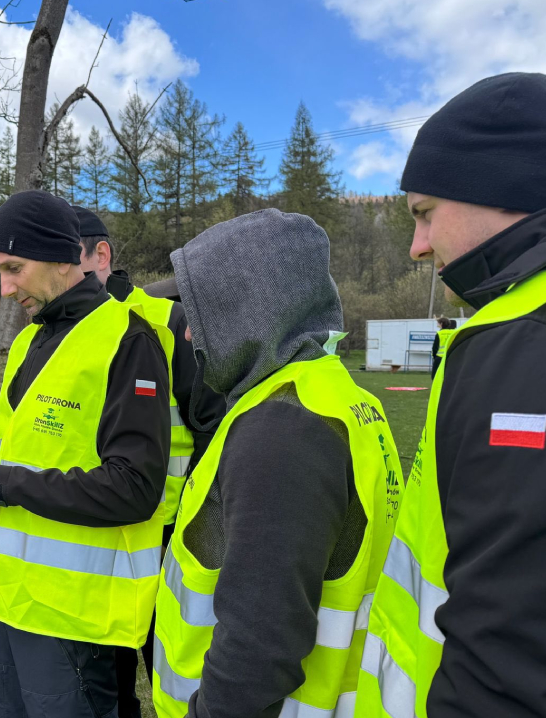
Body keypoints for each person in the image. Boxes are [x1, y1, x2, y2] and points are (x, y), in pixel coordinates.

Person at [357, 72, 546, 717]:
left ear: (502, 189)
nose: (419, 246)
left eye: (425, 214)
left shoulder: (533, 339)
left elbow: (514, 668)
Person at [0, 189, 171, 718]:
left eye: (14, 268)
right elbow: (24, 452)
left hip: (76, 620)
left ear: (61, 256)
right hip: (7, 603)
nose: (4, 289)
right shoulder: (29, 342)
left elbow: (135, 488)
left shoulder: (129, 339)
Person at [152, 209, 405, 718]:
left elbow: (261, 644)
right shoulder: (334, 397)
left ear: (247, 312)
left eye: (201, 317)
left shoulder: (283, 429)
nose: (186, 336)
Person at [75, 206, 225, 718]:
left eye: (67, 256)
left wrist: (194, 519)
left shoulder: (166, 321)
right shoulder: (65, 332)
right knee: (108, 682)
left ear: (102, 255)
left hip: (164, 538)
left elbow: (211, 423)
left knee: (174, 672)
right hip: (99, 535)